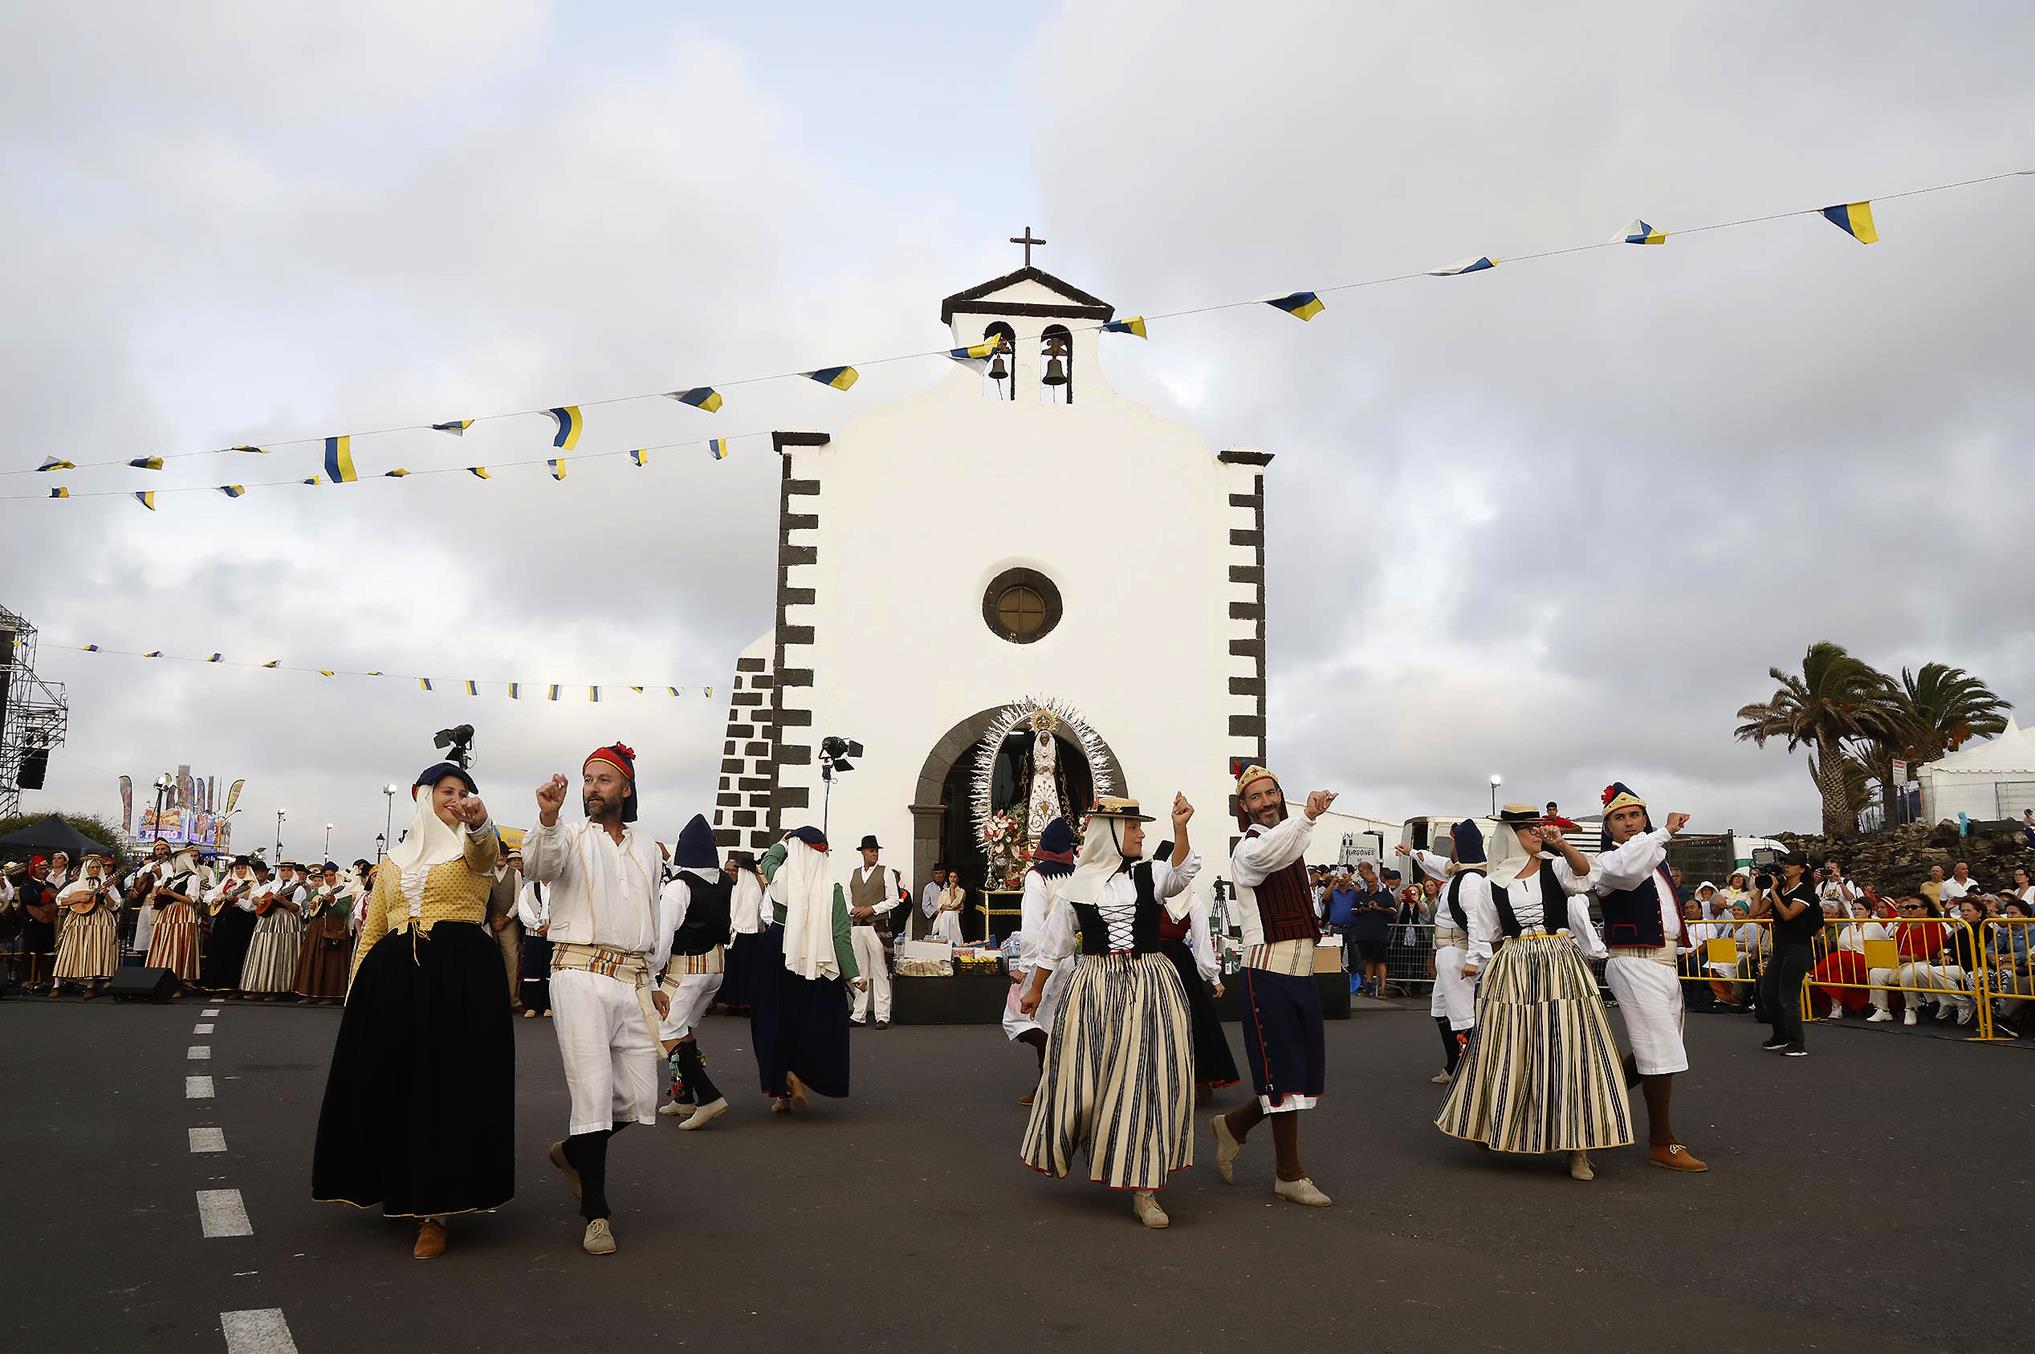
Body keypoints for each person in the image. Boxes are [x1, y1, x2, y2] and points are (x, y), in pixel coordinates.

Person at [311, 761, 510, 1260]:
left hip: (459, 978)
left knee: (446, 1087)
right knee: (395, 1082)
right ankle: (394, 1185)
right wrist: (358, 989)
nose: (455, 799)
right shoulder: (395, 861)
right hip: (394, 976)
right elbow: (375, 926)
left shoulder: (474, 846)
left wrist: (480, 819)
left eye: (463, 791)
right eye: (447, 791)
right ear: (423, 795)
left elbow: (486, 853)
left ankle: (435, 1211)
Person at [521, 743, 676, 1257]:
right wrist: (547, 816)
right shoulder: (565, 836)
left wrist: (654, 979)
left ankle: (571, 1152)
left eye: (603, 780)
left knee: (638, 1098)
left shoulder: (650, 849)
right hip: (578, 972)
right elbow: (538, 866)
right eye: (588, 779)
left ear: (625, 789)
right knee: (591, 1094)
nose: (592, 788)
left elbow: (652, 917)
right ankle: (597, 1214)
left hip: (632, 978)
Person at [1019, 794, 1200, 1229]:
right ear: (1113, 833)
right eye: (1133, 827)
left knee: (1149, 1080)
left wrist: (1180, 828)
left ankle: (1145, 1189)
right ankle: (1087, 1142)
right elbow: (1055, 945)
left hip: (1150, 984)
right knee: (1082, 1080)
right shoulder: (1076, 887)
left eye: (1138, 826)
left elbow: (1180, 876)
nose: (1140, 833)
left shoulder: (1151, 873)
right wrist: (1035, 990)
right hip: (1095, 988)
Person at [1437, 805, 1631, 1183]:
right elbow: (1490, 934)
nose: (1536, 834)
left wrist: (1562, 845)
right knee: (1509, 1049)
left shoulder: (1554, 866)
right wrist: (1494, 973)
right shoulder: (1493, 882)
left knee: (1571, 1050)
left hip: (1560, 963)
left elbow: (1584, 874)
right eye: (1528, 829)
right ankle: (1494, 1126)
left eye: (1538, 827)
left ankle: (1579, 1148)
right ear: (1511, 834)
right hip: (1515, 966)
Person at [1211, 766, 1337, 1208]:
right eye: (1257, 797)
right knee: (1282, 1077)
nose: (1267, 801)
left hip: (1300, 973)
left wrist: (1303, 822)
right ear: (1243, 808)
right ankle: (1289, 1173)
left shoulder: (1289, 841)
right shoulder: (1247, 849)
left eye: (1272, 793)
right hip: (1267, 972)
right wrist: (1307, 818)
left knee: (1299, 1076)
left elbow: (1288, 845)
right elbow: (1272, 854)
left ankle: (1235, 1125)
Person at [1591, 784, 1706, 1173]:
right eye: (1619, 818)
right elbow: (1628, 865)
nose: (1629, 822)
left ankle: (1588, 1107)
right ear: (1608, 827)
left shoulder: (1653, 859)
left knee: (1655, 1052)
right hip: (1634, 960)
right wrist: (1663, 833)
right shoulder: (1610, 861)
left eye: (1635, 815)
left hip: (1663, 963)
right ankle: (1662, 1142)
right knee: (1660, 1052)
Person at [752, 826, 859, 1113]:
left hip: (776, 950)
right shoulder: (832, 888)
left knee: (772, 1018)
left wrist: (782, 843)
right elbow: (839, 935)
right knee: (809, 1020)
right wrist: (854, 973)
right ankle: (799, 1074)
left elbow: (768, 860)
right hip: (814, 956)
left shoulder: (779, 879)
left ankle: (782, 1087)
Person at [655, 815, 734, 1131]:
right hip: (716, 966)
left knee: (664, 1031)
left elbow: (663, 934)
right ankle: (683, 1096)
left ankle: (709, 1097)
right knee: (683, 1028)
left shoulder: (679, 886)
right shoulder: (724, 881)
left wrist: (651, 971)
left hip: (685, 967)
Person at [1150, 839, 1240, 1102]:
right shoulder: (1190, 898)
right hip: (1177, 961)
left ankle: (1162, 1080)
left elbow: (1202, 941)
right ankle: (1198, 1078)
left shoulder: (1145, 893)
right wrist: (1214, 978)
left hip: (1152, 961)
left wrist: (1213, 977)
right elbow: (1202, 943)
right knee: (1191, 1019)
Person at [1404, 822, 1485, 1085]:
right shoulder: (1458, 873)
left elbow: (1476, 921)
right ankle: (1454, 1065)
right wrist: (1412, 852)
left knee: (1462, 1015)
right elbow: (1438, 863)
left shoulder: (1470, 880)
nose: (1450, 847)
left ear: (1459, 846)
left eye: (1452, 842)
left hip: (1458, 953)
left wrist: (1473, 960)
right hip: (1446, 952)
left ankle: (1474, 1070)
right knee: (1440, 1010)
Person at [1002, 817, 1076, 1104]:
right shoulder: (1077, 872)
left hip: (1043, 959)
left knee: (1016, 1019)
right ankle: (1047, 1083)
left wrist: (1023, 967)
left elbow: (1031, 927)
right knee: (1051, 1020)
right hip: (1069, 958)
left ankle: (1058, 1065)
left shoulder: (1037, 876)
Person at [1752, 849, 1818, 1057]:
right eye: (1784, 863)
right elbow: (1755, 911)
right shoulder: (1780, 890)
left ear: (1802, 868)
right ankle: (1780, 1036)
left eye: (1790, 863)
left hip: (1798, 949)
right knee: (1768, 993)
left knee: (1788, 997)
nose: (1786, 866)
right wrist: (1759, 889)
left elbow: (1788, 914)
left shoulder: (1804, 892)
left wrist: (1773, 892)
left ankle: (1797, 1043)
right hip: (1780, 948)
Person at [844, 835, 902, 1027]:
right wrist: (852, 909)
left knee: (880, 971)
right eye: (871, 850)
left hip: (878, 927)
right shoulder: (853, 873)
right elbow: (846, 897)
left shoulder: (885, 873)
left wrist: (872, 909)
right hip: (858, 928)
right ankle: (859, 1013)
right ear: (862, 852)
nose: (875, 853)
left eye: (876, 850)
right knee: (860, 971)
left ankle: (882, 1015)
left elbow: (894, 899)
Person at [52, 854, 122, 999]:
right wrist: (78, 899)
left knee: (94, 951)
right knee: (70, 949)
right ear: (87, 868)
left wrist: (106, 895)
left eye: (97, 867)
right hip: (78, 920)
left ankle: (90, 985)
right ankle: (57, 984)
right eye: (92, 867)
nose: (95, 870)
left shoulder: (107, 884)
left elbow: (115, 906)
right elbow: (60, 899)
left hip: (100, 920)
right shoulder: (76, 885)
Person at [240, 861, 308, 1000]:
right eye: (283, 870)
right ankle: (259, 988)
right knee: (262, 952)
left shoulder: (297, 888)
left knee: (283, 954)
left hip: (287, 922)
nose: (286, 873)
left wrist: (283, 901)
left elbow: (297, 908)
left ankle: (278, 989)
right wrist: (258, 901)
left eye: (288, 870)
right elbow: (254, 897)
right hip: (267, 921)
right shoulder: (271, 885)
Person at [144, 846, 207, 992]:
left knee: (180, 945)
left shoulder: (192, 877)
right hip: (168, 912)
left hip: (183, 913)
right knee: (165, 944)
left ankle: (179, 979)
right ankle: (162, 979)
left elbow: (191, 899)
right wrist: (157, 893)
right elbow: (157, 889)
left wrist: (170, 894)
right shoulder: (170, 876)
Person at [294, 863, 354, 1005]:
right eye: (326, 875)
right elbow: (305, 901)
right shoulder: (320, 890)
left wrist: (333, 901)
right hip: (317, 927)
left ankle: (330, 994)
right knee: (313, 959)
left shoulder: (344, 891)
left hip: (335, 928)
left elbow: (344, 912)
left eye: (331, 875)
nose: (329, 878)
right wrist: (309, 905)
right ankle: (311, 994)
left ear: (336, 875)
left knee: (332, 962)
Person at [715, 851, 765, 1016]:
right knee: (733, 971)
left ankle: (747, 1004)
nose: (731, 874)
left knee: (747, 972)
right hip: (734, 934)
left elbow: (754, 915)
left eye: (734, 871)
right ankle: (733, 1003)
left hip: (748, 936)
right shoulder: (734, 888)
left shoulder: (752, 891)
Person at [199, 857, 258, 995]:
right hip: (224, 920)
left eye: (243, 867)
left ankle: (235, 986)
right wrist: (214, 899)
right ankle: (218, 984)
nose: (240, 870)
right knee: (220, 950)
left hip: (242, 921)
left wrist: (238, 901)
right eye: (238, 868)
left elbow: (252, 905)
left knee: (238, 952)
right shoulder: (228, 882)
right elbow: (210, 893)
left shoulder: (252, 884)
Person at [488, 847, 525, 1012]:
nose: (501, 857)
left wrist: (506, 919)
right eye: (499, 854)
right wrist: (492, 918)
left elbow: (518, 900)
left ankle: (513, 1000)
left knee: (512, 960)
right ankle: (493, 1000)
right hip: (489, 922)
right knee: (490, 961)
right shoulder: (486, 871)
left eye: (504, 855)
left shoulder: (515, 874)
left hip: (509, 922)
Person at [516, 867, 554, 1019]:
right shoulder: (528, 887)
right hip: (533, 933)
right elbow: (523, 909)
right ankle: (531, 1005)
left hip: (554, 934)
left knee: (550, 971)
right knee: (531, 970)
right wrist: (537, 925)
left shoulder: (560, 887)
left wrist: (553, 925)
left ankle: (549, 1005)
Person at [929, 870, 967, 946]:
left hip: (955, 916)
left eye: (954, 877)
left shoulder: (961, 891)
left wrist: (952, 890)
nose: (952, 879)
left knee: (955, 938)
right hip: (944, 917)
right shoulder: (944, 891)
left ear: (958, 879)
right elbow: (939, 905)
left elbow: (954, 904)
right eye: (951, 877)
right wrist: (948, 907)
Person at [919, 864, 950, 941]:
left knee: (947, 937)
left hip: (948, 917)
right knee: (933, 938)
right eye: (936, 873)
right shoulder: (928, 888)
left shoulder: (949, 886)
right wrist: (936, 913)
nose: (938, 875)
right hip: (934, 917)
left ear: (944, 874)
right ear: (933, 875)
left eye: (940, 873)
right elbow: (925, 906)